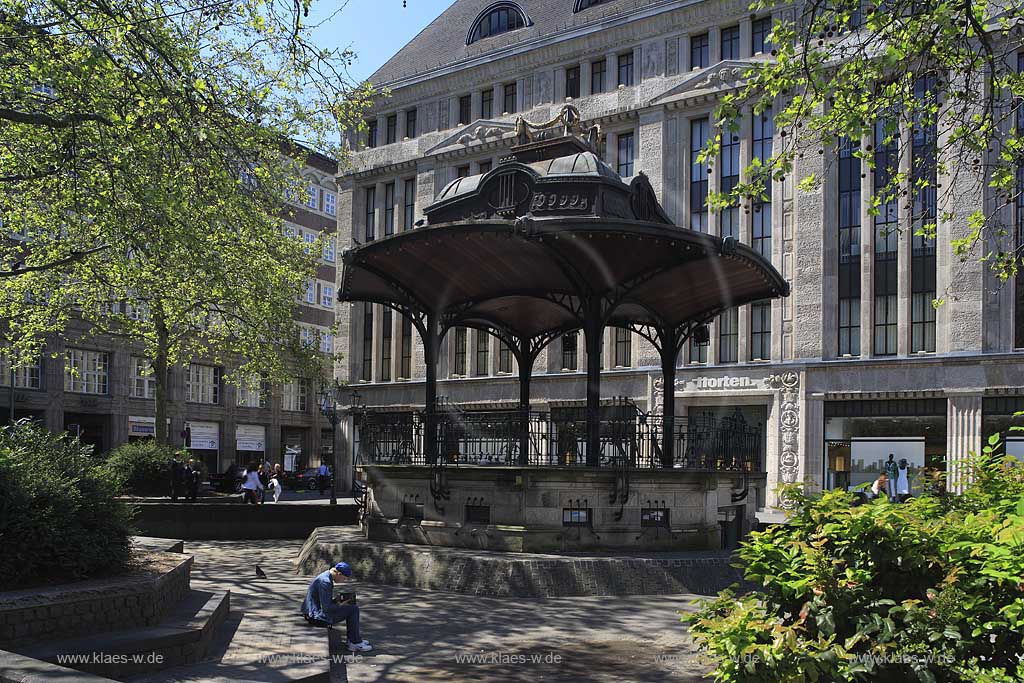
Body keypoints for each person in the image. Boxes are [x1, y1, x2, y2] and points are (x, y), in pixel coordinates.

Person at [301, 562, 372, 652]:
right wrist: (340, 604)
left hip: (312, 613)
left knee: (352, 607)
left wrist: (336, 600)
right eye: (344, 578)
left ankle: (354, 639)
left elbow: (324, 602)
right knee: (353, 609)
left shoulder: (325, 576)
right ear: (339, 574)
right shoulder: (325, 582)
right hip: (316, 617)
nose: (344, 581)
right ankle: (354, 642)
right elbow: (327, 608)